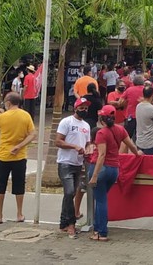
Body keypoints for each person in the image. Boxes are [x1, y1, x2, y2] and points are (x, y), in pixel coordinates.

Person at [88, 104, 142, 241]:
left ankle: (101, 231)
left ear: (102, 119)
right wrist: (137, 154)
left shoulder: (101, 133)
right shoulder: (120, 130)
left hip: (102, 168)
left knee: (100, 200)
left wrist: (94, 175)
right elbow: (132, 146)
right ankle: (99, 229)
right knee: (103, 198)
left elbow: (101, 155)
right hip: (114, 169)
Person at [0, 91, 35, 223]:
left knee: (0, 186)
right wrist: (19, 146)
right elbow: (32, 134)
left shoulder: (2, 117)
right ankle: (19, 214)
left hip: (3, 155)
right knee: (19, 185)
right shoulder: (26, 115)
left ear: (8, 103)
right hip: (19, 156)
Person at [56, 97, 92, 238]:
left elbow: (88, 142)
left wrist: (88, 148)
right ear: (75, 108)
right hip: (65, 162)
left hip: (78, 163)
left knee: (70, 193)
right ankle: (71, 224)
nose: (84, 110)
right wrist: (74, 146)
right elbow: (58, 141)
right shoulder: (66, 122)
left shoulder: (86, 126)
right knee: (70, 191)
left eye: (86, 108)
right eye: (81, 107)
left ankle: (63, 222)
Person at [135, 85, 153, 155]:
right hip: (150, 143)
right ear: (152, 95)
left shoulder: (138, 106)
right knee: (152, 164)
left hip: (139, 141)